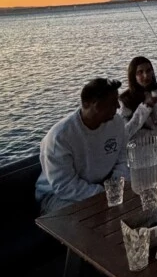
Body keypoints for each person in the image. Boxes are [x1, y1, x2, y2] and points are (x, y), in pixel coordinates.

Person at [35, 78, 129, 214]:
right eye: (113, 103)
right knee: (92, 217)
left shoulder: (117, 124)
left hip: (103, 187)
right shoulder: (59, 137)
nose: (118, 107)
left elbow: (123, 159)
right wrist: (103, 194)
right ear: (96, 105)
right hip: (57, 196)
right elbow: (65, 186)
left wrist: (115, 188)